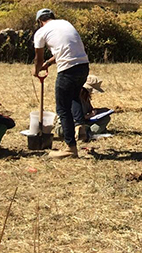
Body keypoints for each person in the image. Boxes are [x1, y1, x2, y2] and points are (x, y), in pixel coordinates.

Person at [33, 8, 90, 159]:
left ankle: (70, 148)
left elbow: (38, 58)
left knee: (62, 108)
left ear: (40, 22)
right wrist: (48, 63)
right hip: (83, 66)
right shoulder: (65, 23)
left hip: (68, 70)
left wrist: (37, 69)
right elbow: (65, 49)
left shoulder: (41, 32)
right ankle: (80, 127)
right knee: (73, 97)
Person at [55, 75, 112, 142]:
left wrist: (101, 111)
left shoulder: (85, 98)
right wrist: (88, 116)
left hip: (82, 123)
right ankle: (88, 134)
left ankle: (89, 132)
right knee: (85, 127)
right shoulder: (73, 99)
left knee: (106, 118)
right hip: (66, 127)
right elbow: (72, 118)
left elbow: (89, 110)